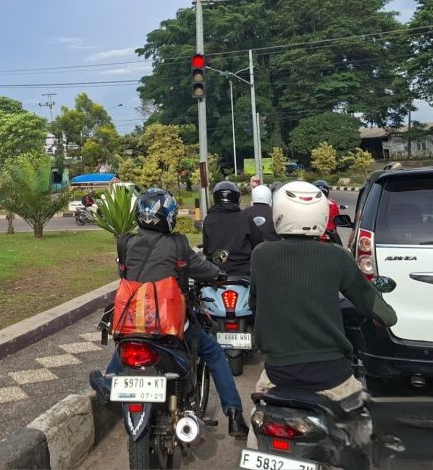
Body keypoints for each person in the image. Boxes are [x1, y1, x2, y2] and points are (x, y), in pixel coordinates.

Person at [89, 188, 249, 438]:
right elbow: (202, 268)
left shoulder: (125, 243)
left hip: (132, 319)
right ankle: (234, 415)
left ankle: (109, 381)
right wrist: (218, 274)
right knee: (214, 352)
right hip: (168, 321)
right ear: (169, 217)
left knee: (126, 343)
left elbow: (125, 274)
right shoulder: (178, 244)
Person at [249, 180, 397, 429]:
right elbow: (383, 314)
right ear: (322, 213)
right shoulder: (337, 256)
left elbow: (256, 301)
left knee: (260, 424)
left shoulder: (261, 254)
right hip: (332, 378)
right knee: (364, 432)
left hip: (278, 374)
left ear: (278, 213)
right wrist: (385, 315)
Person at [202, 181, 263, 276]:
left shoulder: (209, 219)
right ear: (237, 198)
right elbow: (258, 243)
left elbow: (206, 249)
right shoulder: (245, 217)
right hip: (243, 271)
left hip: (217, 272)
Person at [313, 179, 342, 245]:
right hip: (329, 235)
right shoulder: (332, 203)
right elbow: (336, 219)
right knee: (340, 249)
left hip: (310, 234)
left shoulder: (308, 202)